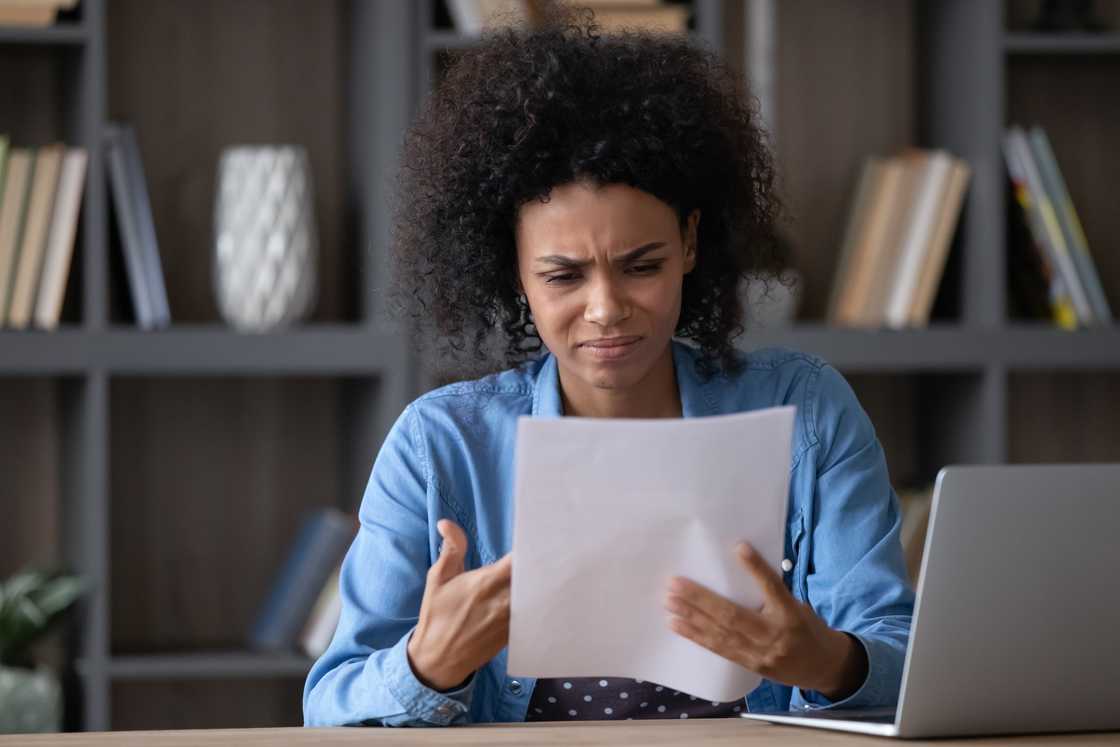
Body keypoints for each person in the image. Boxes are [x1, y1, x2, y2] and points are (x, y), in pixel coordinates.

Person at [303, 9, 914, 727]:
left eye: (642, 265)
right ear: (515, 272)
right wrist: (426, 663)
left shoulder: (804, 411)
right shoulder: (439, 446)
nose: (606, 309)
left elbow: (904, 654)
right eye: (563, 276)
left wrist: (828, 661)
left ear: (690, 241)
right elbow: (328, 707)